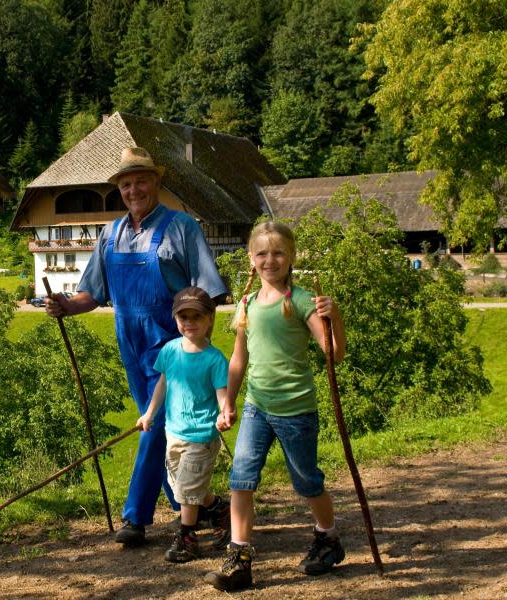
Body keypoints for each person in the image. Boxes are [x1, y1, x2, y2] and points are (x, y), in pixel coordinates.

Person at [45, 147, 229, 547]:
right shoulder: (109, 234)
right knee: (163, 431)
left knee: (156, 425)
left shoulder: (183, 228)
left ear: (156, 183)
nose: (134, 189)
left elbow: (208, 291)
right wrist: (64, 306)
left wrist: (195, 342)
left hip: (175, 347)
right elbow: (90, 294)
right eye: (126, 184)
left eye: (141, 180)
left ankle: (136, 517)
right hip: (131, 346)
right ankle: (203, 508)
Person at [204, 221, 347, 592]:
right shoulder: (247, 304)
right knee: (241, 478)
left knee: (307, 482)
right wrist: (229, 402)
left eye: (279, 252)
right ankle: (239, 557)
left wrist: (337, 319)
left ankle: (328, 538)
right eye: (263, 253)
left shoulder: (300, 302)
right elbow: (239, 359)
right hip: (256, 407)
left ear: (292, 258)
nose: (271, 260)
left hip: (296, 410)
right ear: (252, 259)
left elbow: (334, 354)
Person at [136, 286, 231, 562]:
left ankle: (187, 537)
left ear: (210, 319)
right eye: (183, 317)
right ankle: (218, 509)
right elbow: (162, 384)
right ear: (175, 319)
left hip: (201, 436)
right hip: (173, 434)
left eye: (196, 317)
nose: (189, 323)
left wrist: (225, 413)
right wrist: (149, 413)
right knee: (182, 486)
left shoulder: (214, 360)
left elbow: (222, 395)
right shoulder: (169, 350)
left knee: (186, 494)